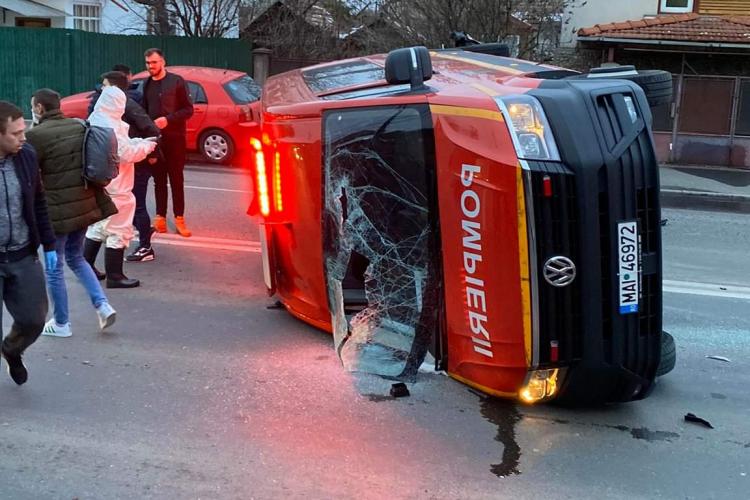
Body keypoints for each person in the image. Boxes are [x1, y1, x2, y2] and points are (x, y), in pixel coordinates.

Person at [26, 88, 119, 337]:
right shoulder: (79, 126)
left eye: (33, 106)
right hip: (84, 205)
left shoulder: (35, 135)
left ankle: (61, 323)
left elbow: (30, 175)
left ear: (39, 108)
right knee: (76, 258)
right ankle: (102, 305)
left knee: (54, 265)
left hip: (56, 212)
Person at [0, 100, 57, 385]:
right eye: (16, 133)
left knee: (34, 320)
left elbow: (38, 201)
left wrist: (48, 244)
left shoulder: (27, 156)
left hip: (23, 254)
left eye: (24, 130)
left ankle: (11, 349)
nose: (24, 137)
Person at [84, 85, 157, 288]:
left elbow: (121, 145)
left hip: (100, 184)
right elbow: (126, 154)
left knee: (98, 227)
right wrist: (147, 146)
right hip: (118, 187)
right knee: (119, 230)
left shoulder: (97, 120)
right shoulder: (113, 126)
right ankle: (115, 276)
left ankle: (86, 267)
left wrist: (137, 141)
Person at [142, 48, 194, 238]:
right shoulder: (146, 84)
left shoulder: (176, 81)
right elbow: (143, 113)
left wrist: (168, 119)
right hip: (155, 141)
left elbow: (188, 110)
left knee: (176, 180)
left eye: (154, 62)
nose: (150, 66)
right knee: (158, 181)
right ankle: (160, 217)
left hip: (175, 139)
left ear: (163, 62)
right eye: (148, 63)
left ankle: (179, 218)